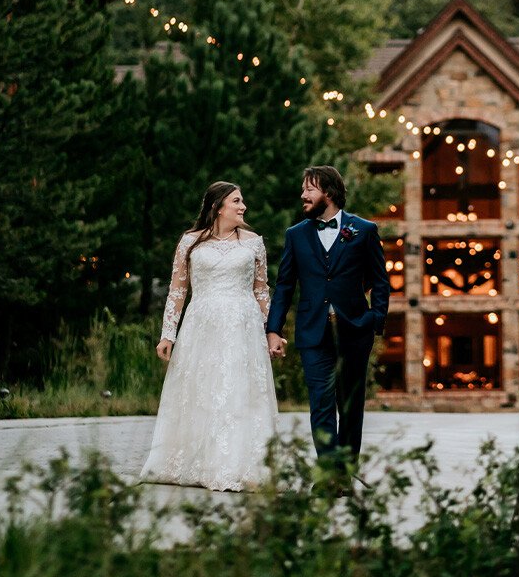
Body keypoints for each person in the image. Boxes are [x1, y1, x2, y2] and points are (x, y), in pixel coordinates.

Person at [140, 181, 281, 492]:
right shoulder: (190, 242)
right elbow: (178, 289)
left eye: (242, 201)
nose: (243, 207)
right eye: (237, 201)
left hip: (243, 326)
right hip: (201, 324)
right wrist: (168, 334)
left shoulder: (254, 242)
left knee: (238, 390)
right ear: (218, 207)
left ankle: (238, 464)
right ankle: (198, 461)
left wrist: (271, 331)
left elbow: (261, 291)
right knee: (203, 389)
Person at [266, 166, 390, 471]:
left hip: (354, 331)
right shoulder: (295, 235)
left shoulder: (364, 230)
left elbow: (381, 280)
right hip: (313, 333)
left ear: (329, 193)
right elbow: (284, 286)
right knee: (320, 404)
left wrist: (375, 319)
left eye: (309, 189)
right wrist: (273, 329)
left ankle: (345, 472)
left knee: (349, 406)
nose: (302, 195)